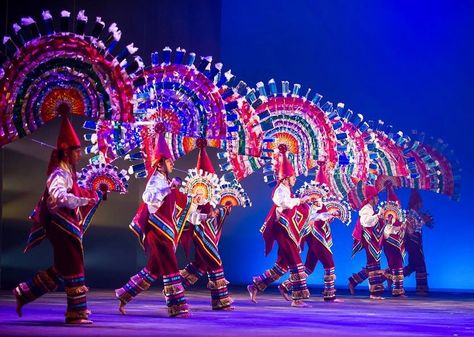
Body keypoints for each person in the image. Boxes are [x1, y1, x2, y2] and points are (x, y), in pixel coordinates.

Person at [13, 112, 102, 324]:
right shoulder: (59, 174)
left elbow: (77, 194)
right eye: (77, 151)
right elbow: (59, 197)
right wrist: (82, 201)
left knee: (63, 266)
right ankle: (76, 314)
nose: (80, 154)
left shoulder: (69, 173)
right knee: (73, 265)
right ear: (66, 152)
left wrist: (92, 196)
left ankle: (24, 292)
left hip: (65, 226)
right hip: (59, 226)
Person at [115, 129, 196, 318]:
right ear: (159, 165)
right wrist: (168, 188)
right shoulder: (156, 181)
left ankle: (124, 294)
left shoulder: (165, 181)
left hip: (164, 231)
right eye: (168, 161)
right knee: (170, 266)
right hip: (157, 233)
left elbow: (175, 206)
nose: (172, 163)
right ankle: (177, 307)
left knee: (154, 269)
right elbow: (148, 198)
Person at [247, 144, 312, 307]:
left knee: (283, 264)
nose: (295, 179)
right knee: (296, 262)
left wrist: (305, 202)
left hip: (287, 232)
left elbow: (293, 205)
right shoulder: (280, 191)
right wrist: (299, 200)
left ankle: (255, 285)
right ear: (285, 178)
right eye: (293, 177)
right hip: (283, 232)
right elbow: (284, 203)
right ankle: (298, 299)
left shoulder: (287, 191)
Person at [179, 141, 234, 310]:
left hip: (209, 231)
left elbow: (213, 212)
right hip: (199, 232)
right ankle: (221, 301)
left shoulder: (210, 196)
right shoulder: (194, 195)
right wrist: (206, 215)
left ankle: (176, 287)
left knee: (202, 264)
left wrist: (222, 211)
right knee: (215, 262)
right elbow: (190, 215)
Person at [348, 185, 385, 299]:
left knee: (373, 264)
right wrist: (378, 215)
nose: (378, 199)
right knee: (373, 264)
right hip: (368, 240)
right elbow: (366, 222)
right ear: (371, 198)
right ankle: (374, 293)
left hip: (371, 239)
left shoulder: (370, 208)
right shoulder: (366, 209)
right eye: (376, 197)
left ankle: (354, 281)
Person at [403, 189, 432, 295]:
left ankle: (393, 277)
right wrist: (422, 222)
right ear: (416, 203)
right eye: (420, 202)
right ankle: (421, 289)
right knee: (419, 264)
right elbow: (410, 229)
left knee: (414, 264)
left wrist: (422, 221)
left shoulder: (416, 214)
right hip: (412, 242)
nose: (421, 204)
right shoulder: (410, 213)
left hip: (417, 241)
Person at [381, 184, 406, 297]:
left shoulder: (399, 223)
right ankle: (397, 290)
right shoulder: (388, 225)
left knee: (396, 266)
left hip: (396, 245)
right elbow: (387, 233)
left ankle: (397, 289)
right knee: (395, 265)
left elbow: (400, 229)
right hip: (390, 245)